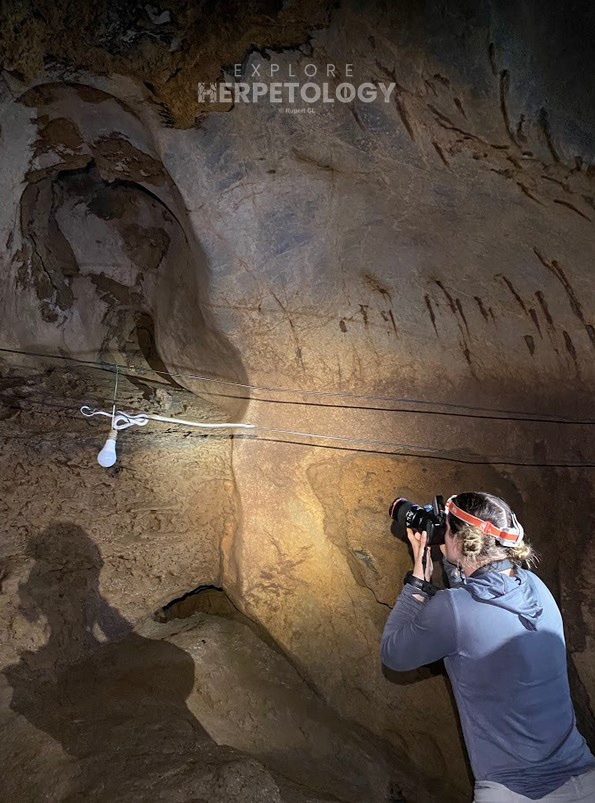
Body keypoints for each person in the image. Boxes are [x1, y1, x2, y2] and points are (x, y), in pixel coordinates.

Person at [380, 491, 595, 802]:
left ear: (462, 541)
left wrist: (418, 582)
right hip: (584, 782)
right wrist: (458, 560)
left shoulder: (453, 610)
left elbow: (394, 654)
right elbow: (479, 599)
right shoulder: (536, 587)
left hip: (515, 793)